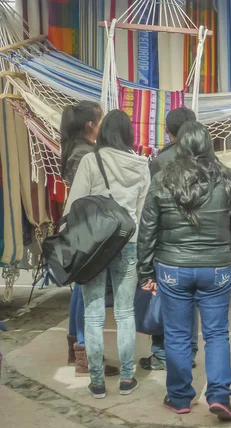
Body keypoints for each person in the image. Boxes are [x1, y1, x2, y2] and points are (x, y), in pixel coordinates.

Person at [137, 122, 231, 420]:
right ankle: (219, 396)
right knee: (216, 334)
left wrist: (145, 272)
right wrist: (228, 255)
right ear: (209, 145)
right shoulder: (227, 178)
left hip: (173, 267)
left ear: (181, 146)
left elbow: (147, 228)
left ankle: (179, 398)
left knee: (176, 334)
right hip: (217, 268)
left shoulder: (163, 179)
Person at [64, 109, 150, 399]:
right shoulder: (142, 165)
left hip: (96, 244)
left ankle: (97, 382)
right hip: (129, 243)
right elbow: (143, 212)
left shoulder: (91, 160)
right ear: (128, 134)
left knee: (94, 313)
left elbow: (74, 206)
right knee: (126, 313)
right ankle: (127, 378)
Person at [60, 101, 119, 378]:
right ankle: (85, 355)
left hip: (81, 227)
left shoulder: (77, 150)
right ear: (91, 125)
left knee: (81, 289)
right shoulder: (85, 155)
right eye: (101, 119)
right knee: (87, 294)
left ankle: (76, 349)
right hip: (87, 228)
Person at [139, 107, 199, 371]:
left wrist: (146, 260)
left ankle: (162, 354)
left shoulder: (161, 161)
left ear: (168, 131)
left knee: (164, 297)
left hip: (169, 244)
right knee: (193, 299)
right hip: (201, 245)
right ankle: (190, 351)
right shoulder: (206, 158)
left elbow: (151, 212)